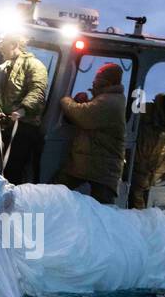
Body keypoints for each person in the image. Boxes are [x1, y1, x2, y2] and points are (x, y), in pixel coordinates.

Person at [54, 62, 127, 205]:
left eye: (98, 79)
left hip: (101, 169)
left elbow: (83, 116)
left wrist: (66, 99)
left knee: (101, 212)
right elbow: (92, 113)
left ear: (106, 81)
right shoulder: (107, 99)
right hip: (94, 165)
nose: (94, 82)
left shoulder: (110, 101)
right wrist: (84, 101)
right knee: (58, 190)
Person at [0, 33, 48, 184]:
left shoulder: (35, 65)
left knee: (13, 169)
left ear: (13, 44)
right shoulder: (1, 68)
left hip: (24, 125)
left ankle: (9, 203)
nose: (0, 49)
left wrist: (23, 109)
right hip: (2, 124)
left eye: (2, 45)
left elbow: (37, 90)